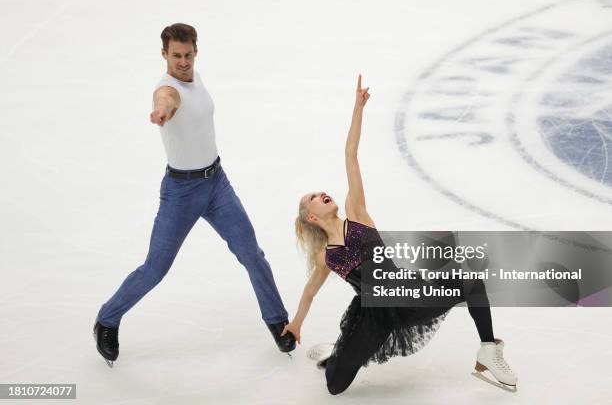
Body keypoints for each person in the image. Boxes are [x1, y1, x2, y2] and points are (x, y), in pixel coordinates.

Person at [282, 75, 518, 394]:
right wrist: (296, 324)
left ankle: (488, 350)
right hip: (371, 318)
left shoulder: (358, 213)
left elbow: (351, 154)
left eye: (320, 191)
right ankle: (336, 355)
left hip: (410, 295)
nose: (321, 193)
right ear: (312, 217)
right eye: (313, 197)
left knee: (471, 282)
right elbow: (310, 292)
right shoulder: (327, 256)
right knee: (335, 385)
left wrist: (358, 108)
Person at [93, 23, 295, 368]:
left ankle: (277, 321)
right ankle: (107, 319)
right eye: (176, 56)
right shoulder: (166, 89)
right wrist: (162, 112)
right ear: (164, 55)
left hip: (217, 184)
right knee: (155, 269)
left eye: (188, 55)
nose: (183, 62)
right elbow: (167, 101)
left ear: (195, 52)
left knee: (251, 253)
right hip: (181, 191)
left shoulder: (195, 78)